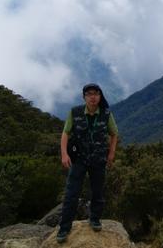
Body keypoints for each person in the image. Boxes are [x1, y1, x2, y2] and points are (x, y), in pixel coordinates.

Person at [57, 83, 119, 243]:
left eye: (96, 94)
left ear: (100, 96)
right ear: (84, 97)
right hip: (79, 159)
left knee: (97, 192)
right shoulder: (75, 112)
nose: (93, 97)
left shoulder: (106, 113)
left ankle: (95, 219)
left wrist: (111, 153)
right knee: (71, 194)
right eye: (89, 94)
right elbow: (65, 132)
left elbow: (114, 134)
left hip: (98, 160)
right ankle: (64, 228)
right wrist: (64, 154)